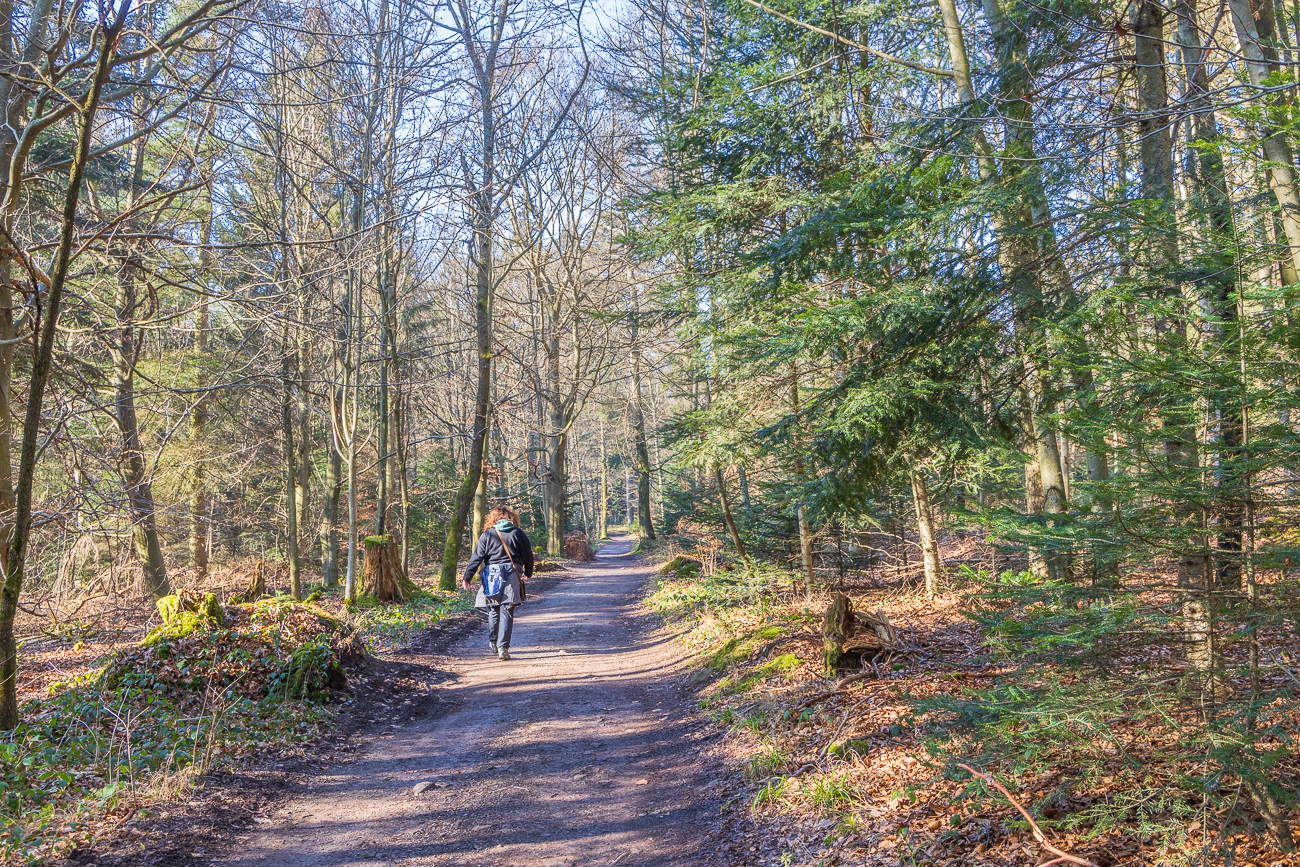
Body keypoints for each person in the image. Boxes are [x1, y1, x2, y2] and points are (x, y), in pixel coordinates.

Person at [462, 505, 534, 661]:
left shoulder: (488, 534)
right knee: (507, 610)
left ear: (493, 518)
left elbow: (477, 557)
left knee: (493, 609)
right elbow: (528, 555)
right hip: (511, 573)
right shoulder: (518, 533)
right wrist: (528, 572)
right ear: (512, 517)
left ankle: (493, 642)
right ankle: (503, 648)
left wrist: (467, 577)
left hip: (492, 575)